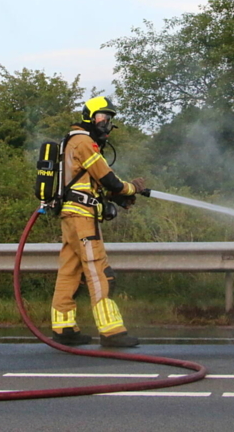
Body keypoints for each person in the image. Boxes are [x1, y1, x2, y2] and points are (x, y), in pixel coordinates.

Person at [50, 96, 146, 348]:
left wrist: (116, 197)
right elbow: (108, 178)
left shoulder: (70, 141)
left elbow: (89, 182)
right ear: (89, 118)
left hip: (71, 214)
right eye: (102, 117)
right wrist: (130, 189)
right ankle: (111, 331)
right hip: (82, 216)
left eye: (109, 119)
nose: (106, 123)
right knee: (98, 270)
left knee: (69, 271)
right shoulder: (83, 141)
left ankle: (64, 327)